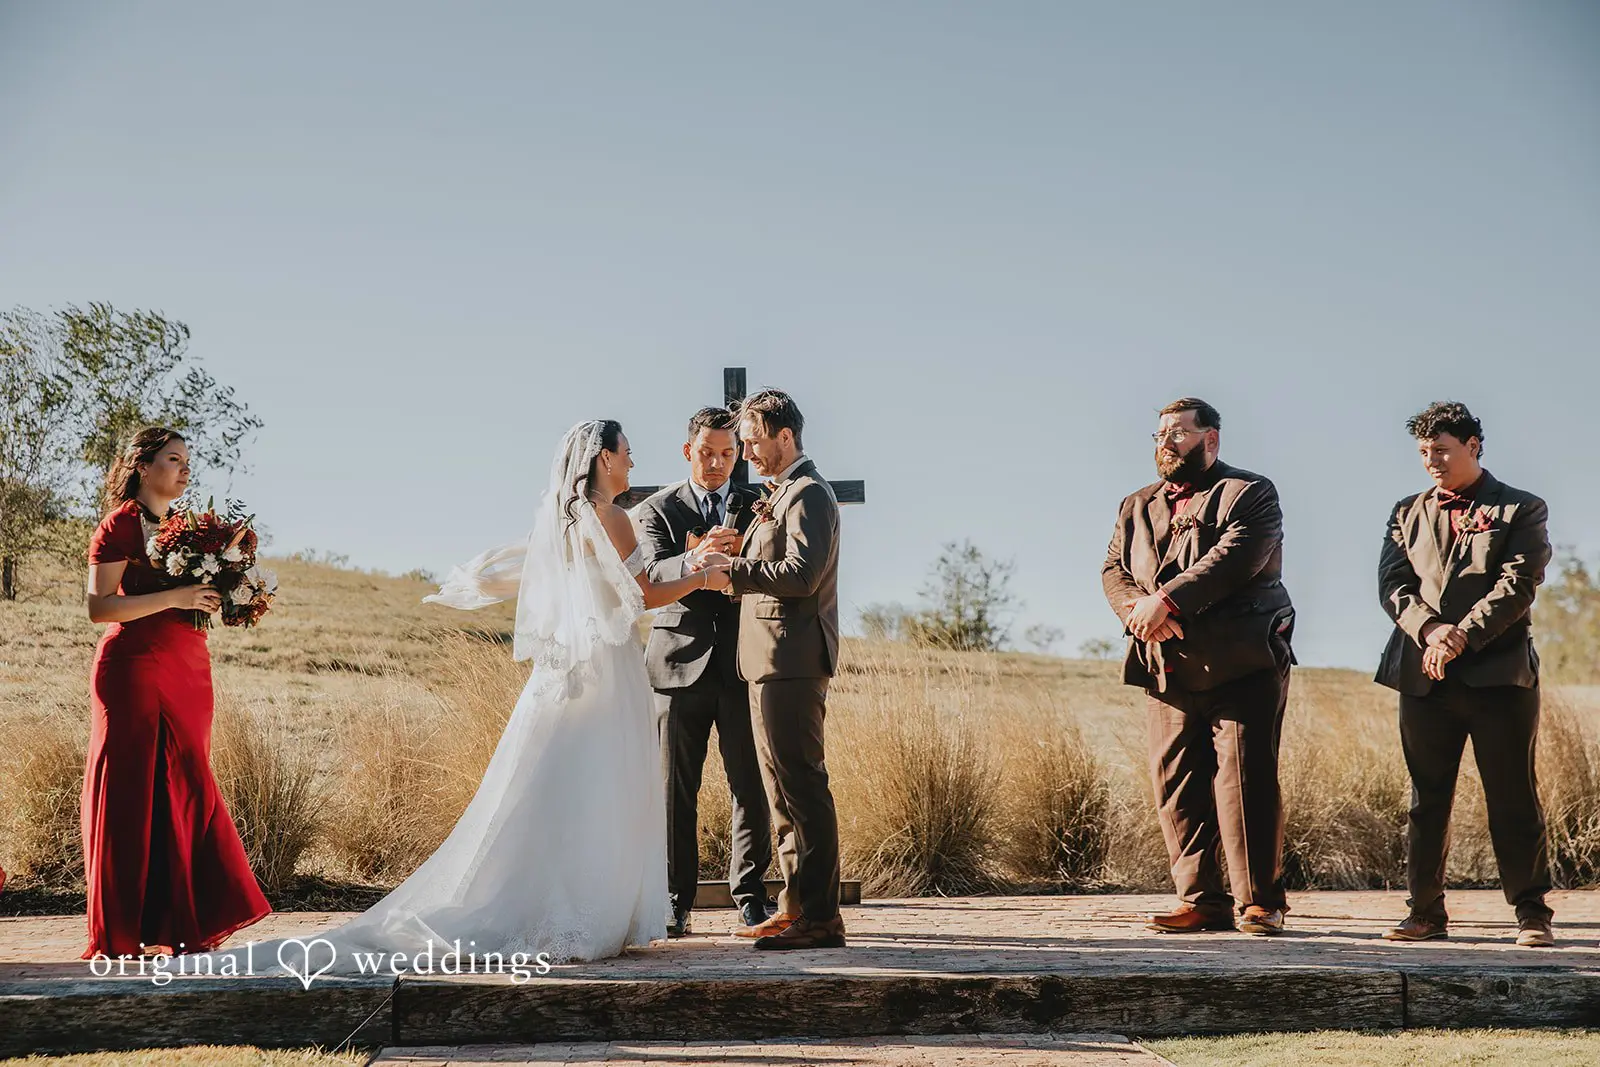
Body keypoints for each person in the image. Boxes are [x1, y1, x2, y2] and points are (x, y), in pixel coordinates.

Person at [202, 420, 730, 975]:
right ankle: (586, 908)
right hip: (609, 667)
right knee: (603, 780)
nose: (631, 463)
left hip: (569, 669)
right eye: (626, 454)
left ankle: (547, 899)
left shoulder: (561, 516)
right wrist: (701, 577)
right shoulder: (613, 516)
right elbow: (643, 593)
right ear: (602, 457)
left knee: (558, 782)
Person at [1100, 398, 1295, 936]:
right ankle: (1201, 900)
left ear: (1210, 439)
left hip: (1245, 661)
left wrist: (1166, 601)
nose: (1166, 442)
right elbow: (1114, 568)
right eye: (1160, 433)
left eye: (1179, 433)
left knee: (1244, 781)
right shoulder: (1135, 504)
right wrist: (1139, 613)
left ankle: (1259, 902)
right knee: (1177, 783)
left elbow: (1236, 557)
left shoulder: (1251, 493)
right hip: (1166, 664)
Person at [82, 427, 270, 959]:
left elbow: (195, 598)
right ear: (143, 467)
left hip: (188, 668)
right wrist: (179, 595)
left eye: (189, 460)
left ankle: (188, 922)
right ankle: (125, 931)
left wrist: (232, 598)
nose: (185, 469)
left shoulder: (187, 529)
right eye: (173, 459)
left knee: (186, 784)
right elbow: (100, 608)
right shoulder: (120, 525)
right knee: (134, 791)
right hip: (133, 667)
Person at [1376, 401, 1555, 948]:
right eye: (1425, 452)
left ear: (1474, 445)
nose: (1432, 460)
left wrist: (1462, 635)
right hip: (1423, 674)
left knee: (1512, 795)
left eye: (1443, 450)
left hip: (1499, 677)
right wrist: (1431, 631)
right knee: (1427, 798)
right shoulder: (1406, 511)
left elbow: (1517, 584)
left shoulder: (1522, 507)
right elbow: (1393, 583)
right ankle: (1425, 912)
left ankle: (1531, 913)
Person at [635, 407, 774, 937]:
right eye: (707, 452)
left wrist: (740, 562)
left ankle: (752, 896)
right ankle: (675, 902)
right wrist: (695, 560)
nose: (717, 463)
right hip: (675, 666)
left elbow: (773, 568)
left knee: (751, 785)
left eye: (727, 453)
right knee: (675, 790)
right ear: (687, 451)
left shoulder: (757, 504)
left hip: (742, 665)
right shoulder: (657, 509)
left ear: (737, 454)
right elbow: (651, 574)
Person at [724, 390, 846, 951]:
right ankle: (795, 903)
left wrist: (734, 568)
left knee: (803, 785)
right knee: (780, 792)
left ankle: (822, 917)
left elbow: (800, 574)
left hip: (793, 659)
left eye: (753, 441)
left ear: (785, 437)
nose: (747, 452)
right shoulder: (781, 493)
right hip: (767, 659)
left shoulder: (809, 495)